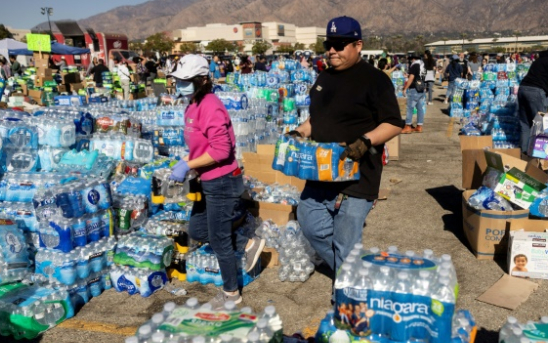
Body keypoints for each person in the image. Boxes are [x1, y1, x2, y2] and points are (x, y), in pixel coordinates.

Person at [289, 16, 403, 273]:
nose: (332, 50)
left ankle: (347, 292)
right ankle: (350, 273)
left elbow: (394, 123)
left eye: (340, 44)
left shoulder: (375, 80)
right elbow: (316, 118)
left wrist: (365, 141)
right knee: (309, 223)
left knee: (345, 239)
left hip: (359, 173)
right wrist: (299, 132)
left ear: (358, 45)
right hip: (321, 169)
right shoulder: (324, 78)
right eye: (329, 44)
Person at [168, 54, 265, 307]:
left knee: (220, 239)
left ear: (202, 80)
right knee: (199, 231)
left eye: (185, 80)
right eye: (178, 80)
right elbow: (202, 145)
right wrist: (189, 164)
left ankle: (231, 294)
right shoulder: (192, 104)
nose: (180, 84)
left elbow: (221, 151)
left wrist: (189, 164)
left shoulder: (210, 105)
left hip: (222, 180)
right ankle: (248, 243)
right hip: (207, 180)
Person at [517, 45, 548, 150]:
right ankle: (538, 152)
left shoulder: (539, 61)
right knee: (540, 123)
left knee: (525, 123)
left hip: (523, 89)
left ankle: (523, 152)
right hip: (536, 92)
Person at [402, 53, 426, 134]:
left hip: (414, 89)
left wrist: (405, 88)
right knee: (419, 107)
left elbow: (412, 77)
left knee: (410, 108)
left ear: (413, 59)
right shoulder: (422, 65)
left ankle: (408, 126)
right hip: (421, 88)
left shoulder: (414, 65)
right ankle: (419, 126)